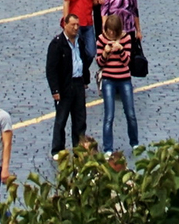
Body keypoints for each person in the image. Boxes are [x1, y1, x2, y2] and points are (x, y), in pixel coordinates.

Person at [45, 15, 89, 156]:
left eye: (77, 24)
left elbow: (84, 59)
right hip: (65, 85)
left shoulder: (80, 41)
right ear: (65, 25)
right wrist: (55, 89)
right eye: (73, 25)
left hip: (78, 83)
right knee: (61, 119)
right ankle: (58, 149)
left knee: (80, 119)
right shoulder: (57, 44)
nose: (76, 28)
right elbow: (51, 69)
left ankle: (79, 147)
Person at [96, 19, 140, 153]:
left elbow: (127, 61)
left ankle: (134, 143)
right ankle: (108, 148)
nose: (111, 35)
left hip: (124, 79)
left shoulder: (126, 38)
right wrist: (106, 52)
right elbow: (100, 63)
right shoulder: (101, 39)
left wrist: (120, 50)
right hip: (108, 79)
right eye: (109, 32)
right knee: (109, 115)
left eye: (113, 32)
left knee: (130, 113)